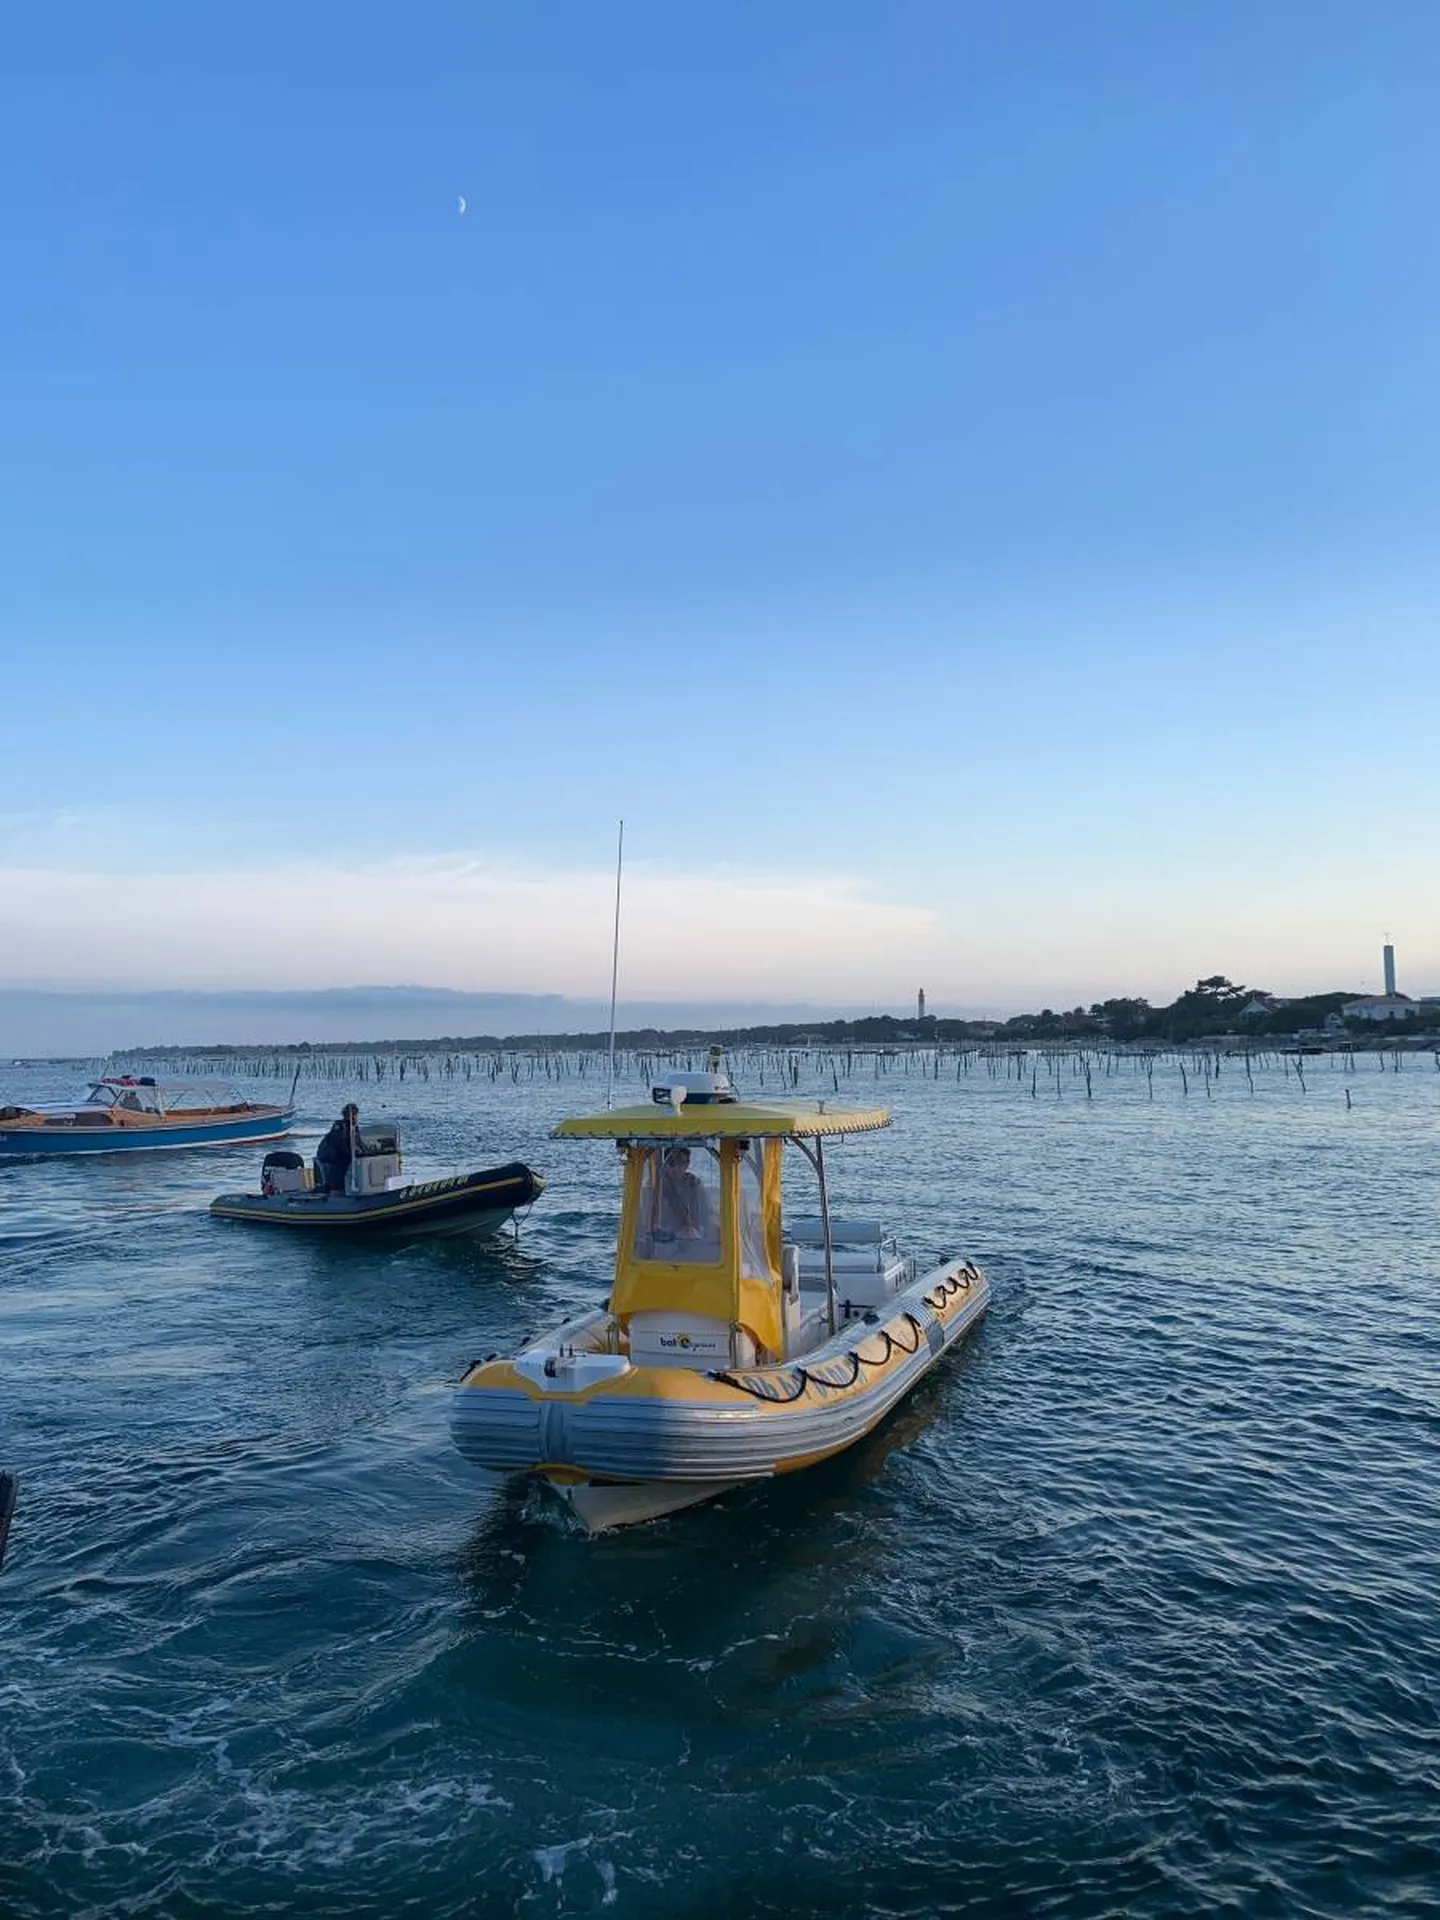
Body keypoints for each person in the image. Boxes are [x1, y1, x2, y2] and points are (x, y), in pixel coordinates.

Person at [657, 1145, 712, 1240]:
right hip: (664, 1237)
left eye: (681, 1163)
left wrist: (694, 1229)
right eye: (672, 1163)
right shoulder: (656, 1185)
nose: (676, 1168)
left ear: (687, 1164)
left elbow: (705, 1215)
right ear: (665, 1163)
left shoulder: (694, 1183)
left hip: (693, 1236)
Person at [315, 1102, 359, 1195]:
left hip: (342, 1158)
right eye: (355, 1115)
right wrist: (351, 1153)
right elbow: (340, 1144)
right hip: (334, 1159)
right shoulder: (340, 1127)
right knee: (338, 1178)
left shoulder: (353, 1128)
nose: (356, 1118)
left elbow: (358, 1142)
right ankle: (334, 1192)